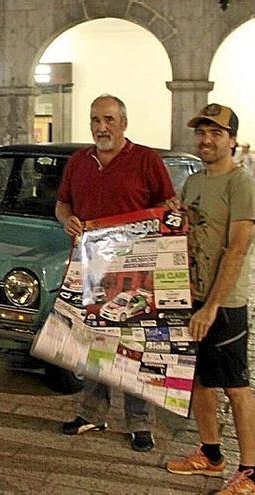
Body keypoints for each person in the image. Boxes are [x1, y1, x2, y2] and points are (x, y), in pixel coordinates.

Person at [55, 94, 178, 452]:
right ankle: (92, 413)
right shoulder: (78, 162)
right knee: (92, 345)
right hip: (90, 269)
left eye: (108, 119)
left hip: (134, 272)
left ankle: (140, 424)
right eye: (95, 119)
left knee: (135, 349)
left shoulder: (146, 160)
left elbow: (165, 206)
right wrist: (68, 221)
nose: (101, 127)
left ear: (124, 122)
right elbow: (62, 205)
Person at [166, 104, 255, 494]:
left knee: (235, 386)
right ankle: (211, 455)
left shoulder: (242, 183)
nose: (207, 139)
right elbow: (189, 233)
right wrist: (174, 218)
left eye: (216, 133)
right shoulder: (194, 182)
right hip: (194, 295)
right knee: (200, 381)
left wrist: (213, 306)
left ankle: (250, 472)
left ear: (232, 140)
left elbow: (237, 248)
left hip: (225, 302)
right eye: (202, 132)